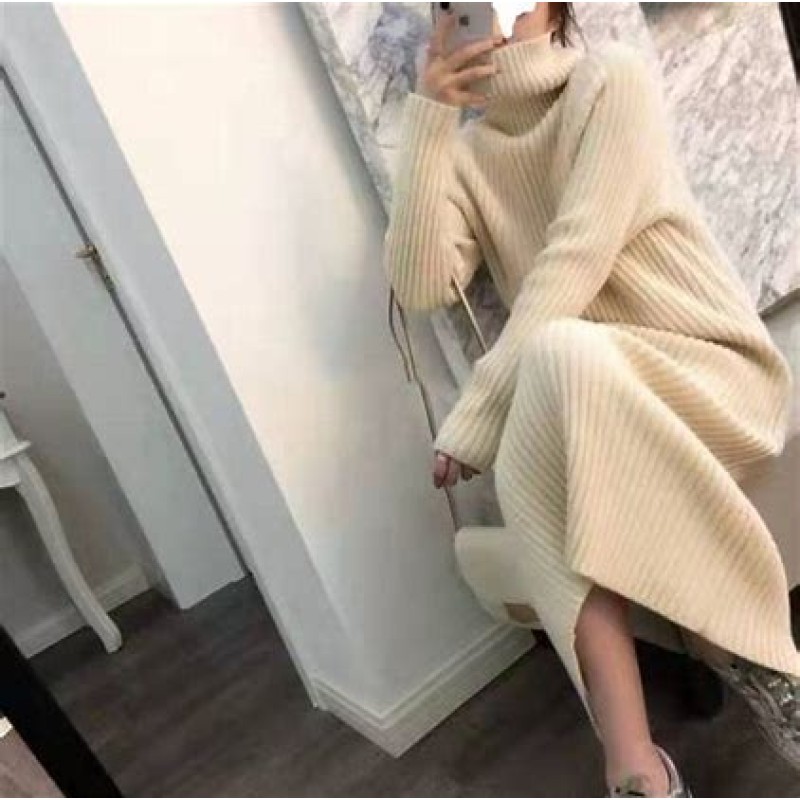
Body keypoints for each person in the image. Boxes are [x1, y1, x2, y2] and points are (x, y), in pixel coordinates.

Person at [382, 3, 800, 797]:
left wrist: (478, 413)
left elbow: (577, 254)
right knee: (539, 436)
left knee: (556, 356)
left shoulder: (610, 81)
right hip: (590, 392)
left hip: (711, 377)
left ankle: (760, 661)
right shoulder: (468, 155)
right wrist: (430, 118)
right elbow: (419, 282)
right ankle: (638, 772)